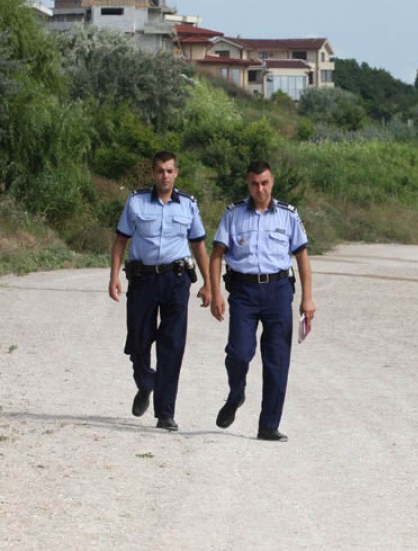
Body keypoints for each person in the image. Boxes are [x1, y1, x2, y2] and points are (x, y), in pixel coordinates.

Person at [209, 160, 315, 443]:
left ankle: (268, 425)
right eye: (255, 184)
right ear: (248, 184)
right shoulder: (233, 215)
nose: (260, 189)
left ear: (272, 182)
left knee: (277, 360)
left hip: (279, 290)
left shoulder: (288, 216)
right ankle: (236, 393)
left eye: (264, 183)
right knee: (239, 353)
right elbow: (217, 253)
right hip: (243, 292)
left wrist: (308, 299)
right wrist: (216, 293)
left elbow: (302, 256)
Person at [108, 151, 211, 432]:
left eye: (169, 170)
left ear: (176, 172)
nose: (164, 176)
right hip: (142, 281)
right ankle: (145, 382)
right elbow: (120, 241)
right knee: (139, 342)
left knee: (172, 346)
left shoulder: (188, 205)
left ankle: (165, 413)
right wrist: (114, 276)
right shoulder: (136, 202)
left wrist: (208, 284)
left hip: (176, 281)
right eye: (159, 171)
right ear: (153, 174)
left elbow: (199, 245)